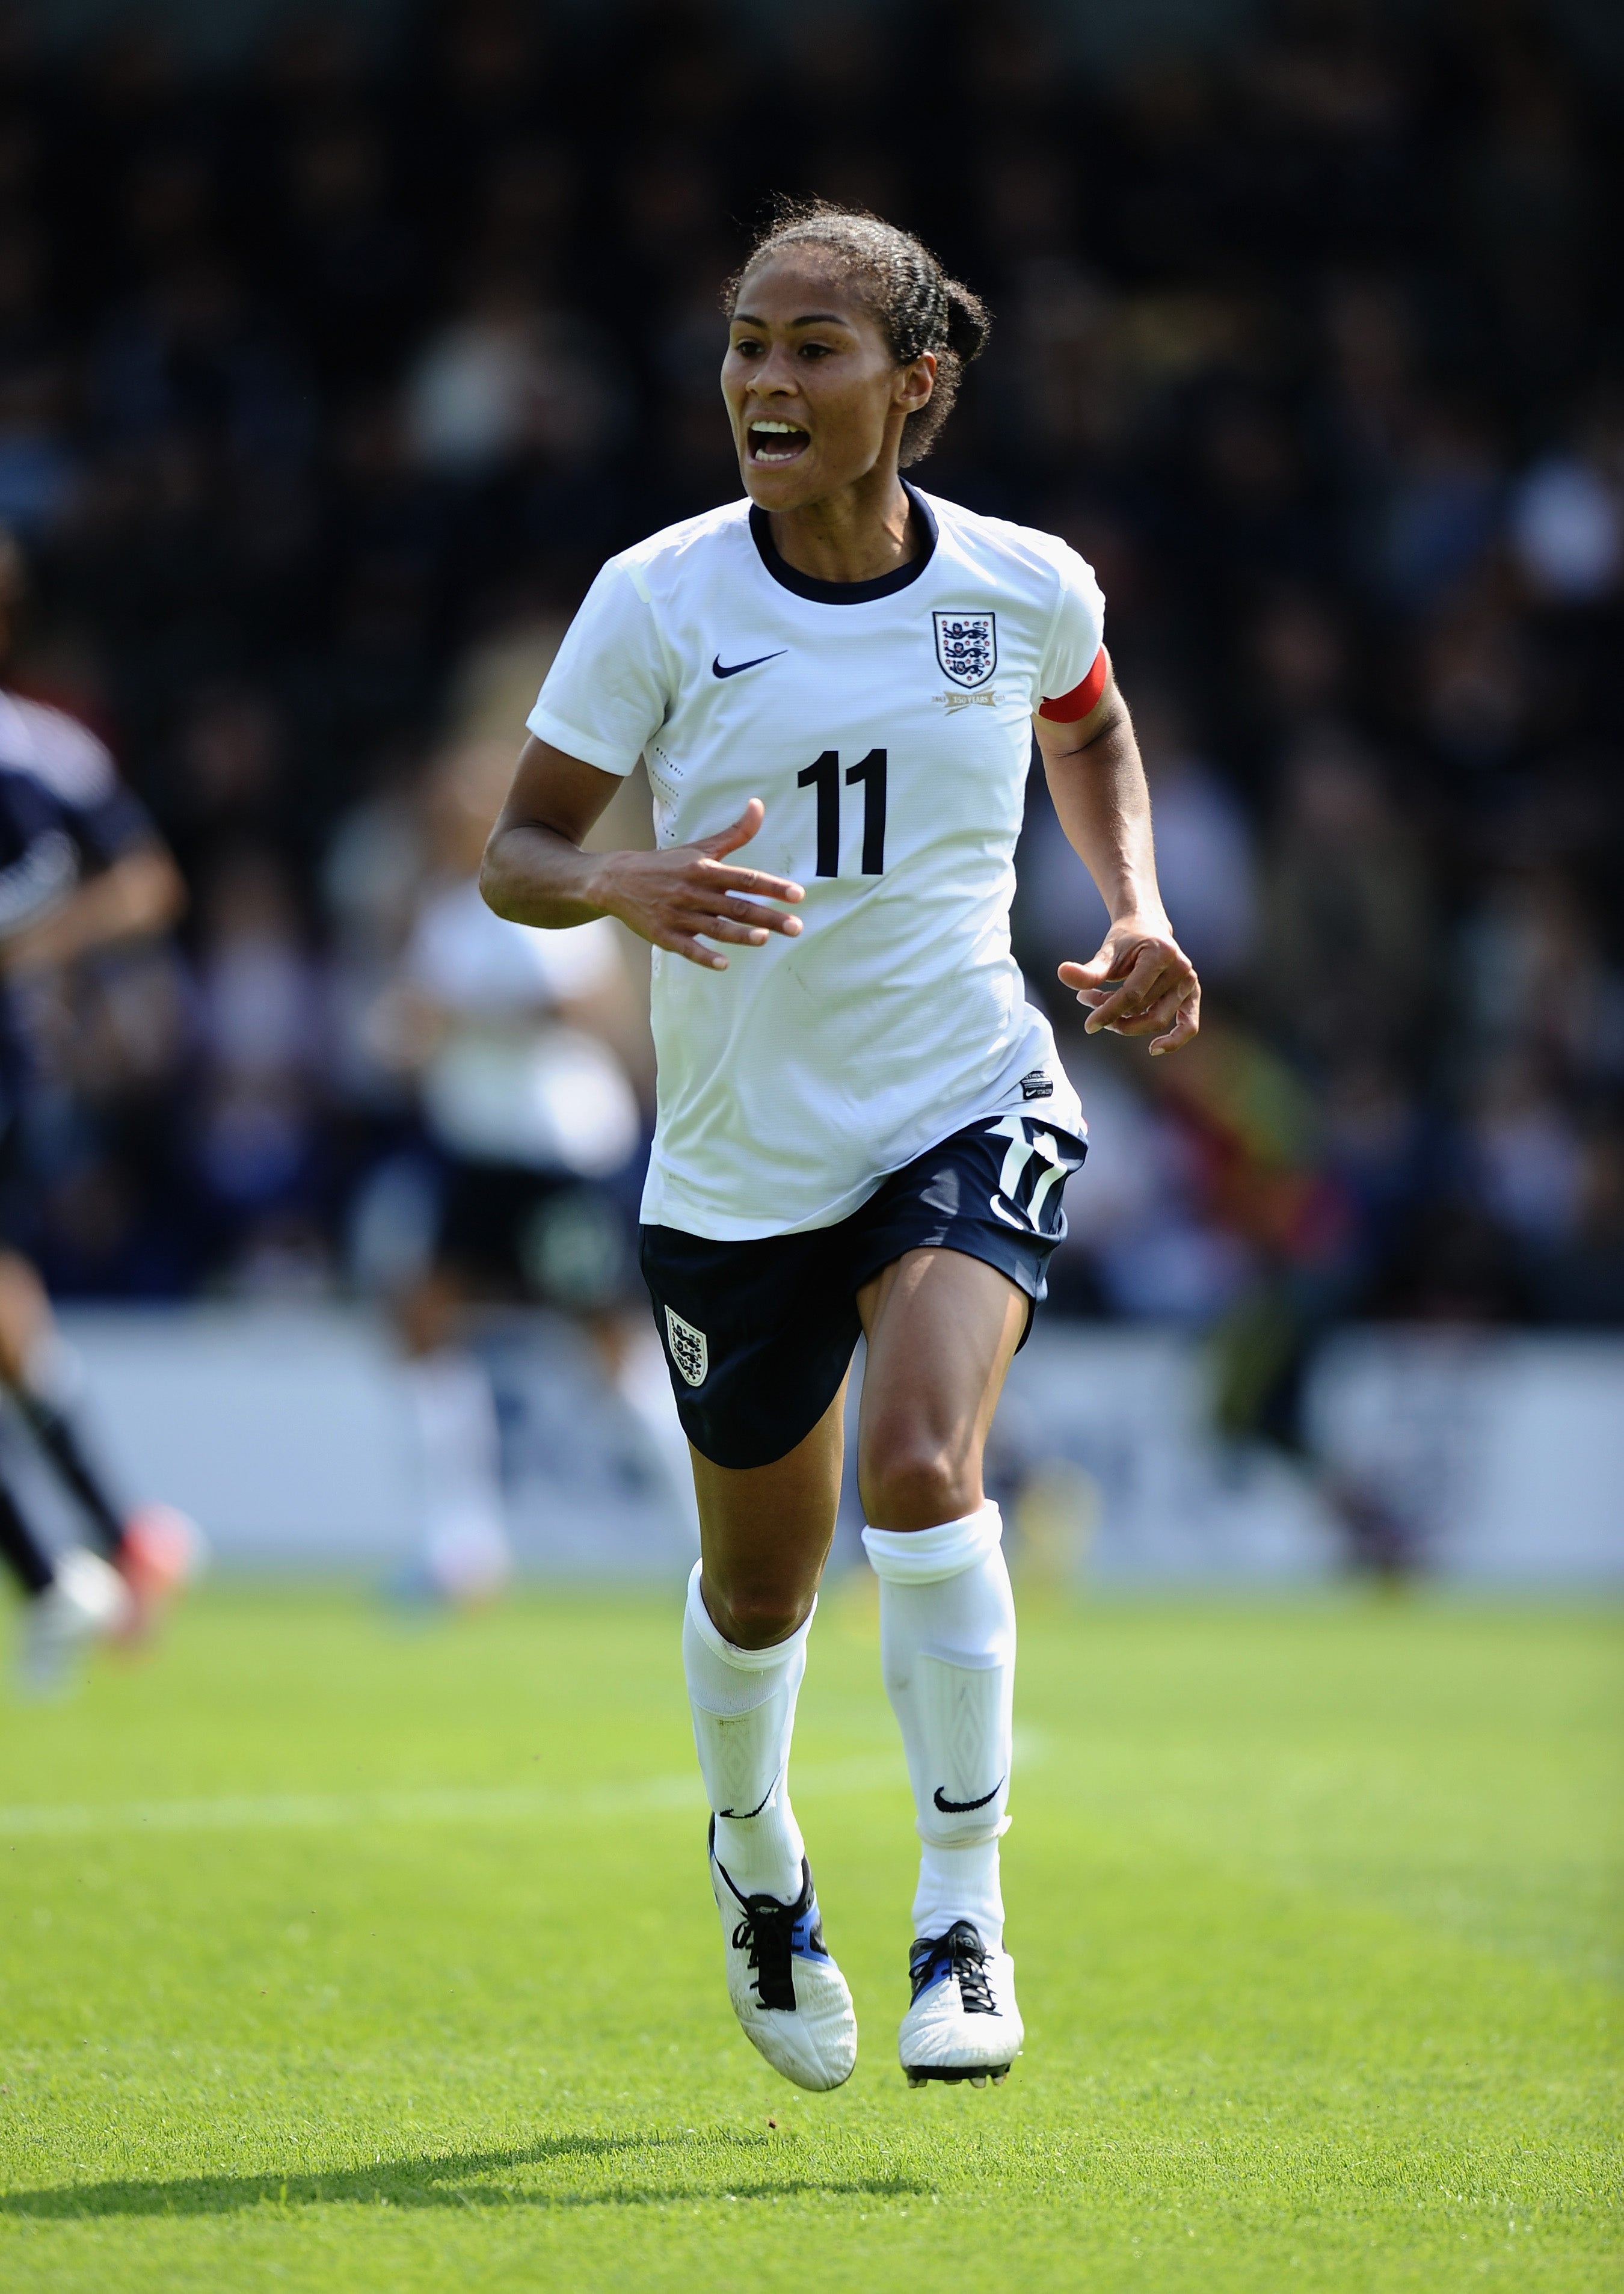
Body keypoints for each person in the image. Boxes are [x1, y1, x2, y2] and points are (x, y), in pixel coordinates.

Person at [481, 204, 1199, 2093]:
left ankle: (962, 1914)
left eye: (811, 347)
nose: (762, 382)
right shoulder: (657, 597)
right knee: (759, 1588)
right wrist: (613, 880)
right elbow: (517, 847)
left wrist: (1132, 901)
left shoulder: (1024, 583)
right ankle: (753, 1854)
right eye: (743, 343)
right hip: (735, 1164)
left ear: (914, 385)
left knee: (919, 1462)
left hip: (961, 1090)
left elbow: (1093, 726)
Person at [0, 531, 199, 1690]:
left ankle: (56, 1574)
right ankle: (117, 1540)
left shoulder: (43, 758)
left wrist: (31, 947)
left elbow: (147, 881)